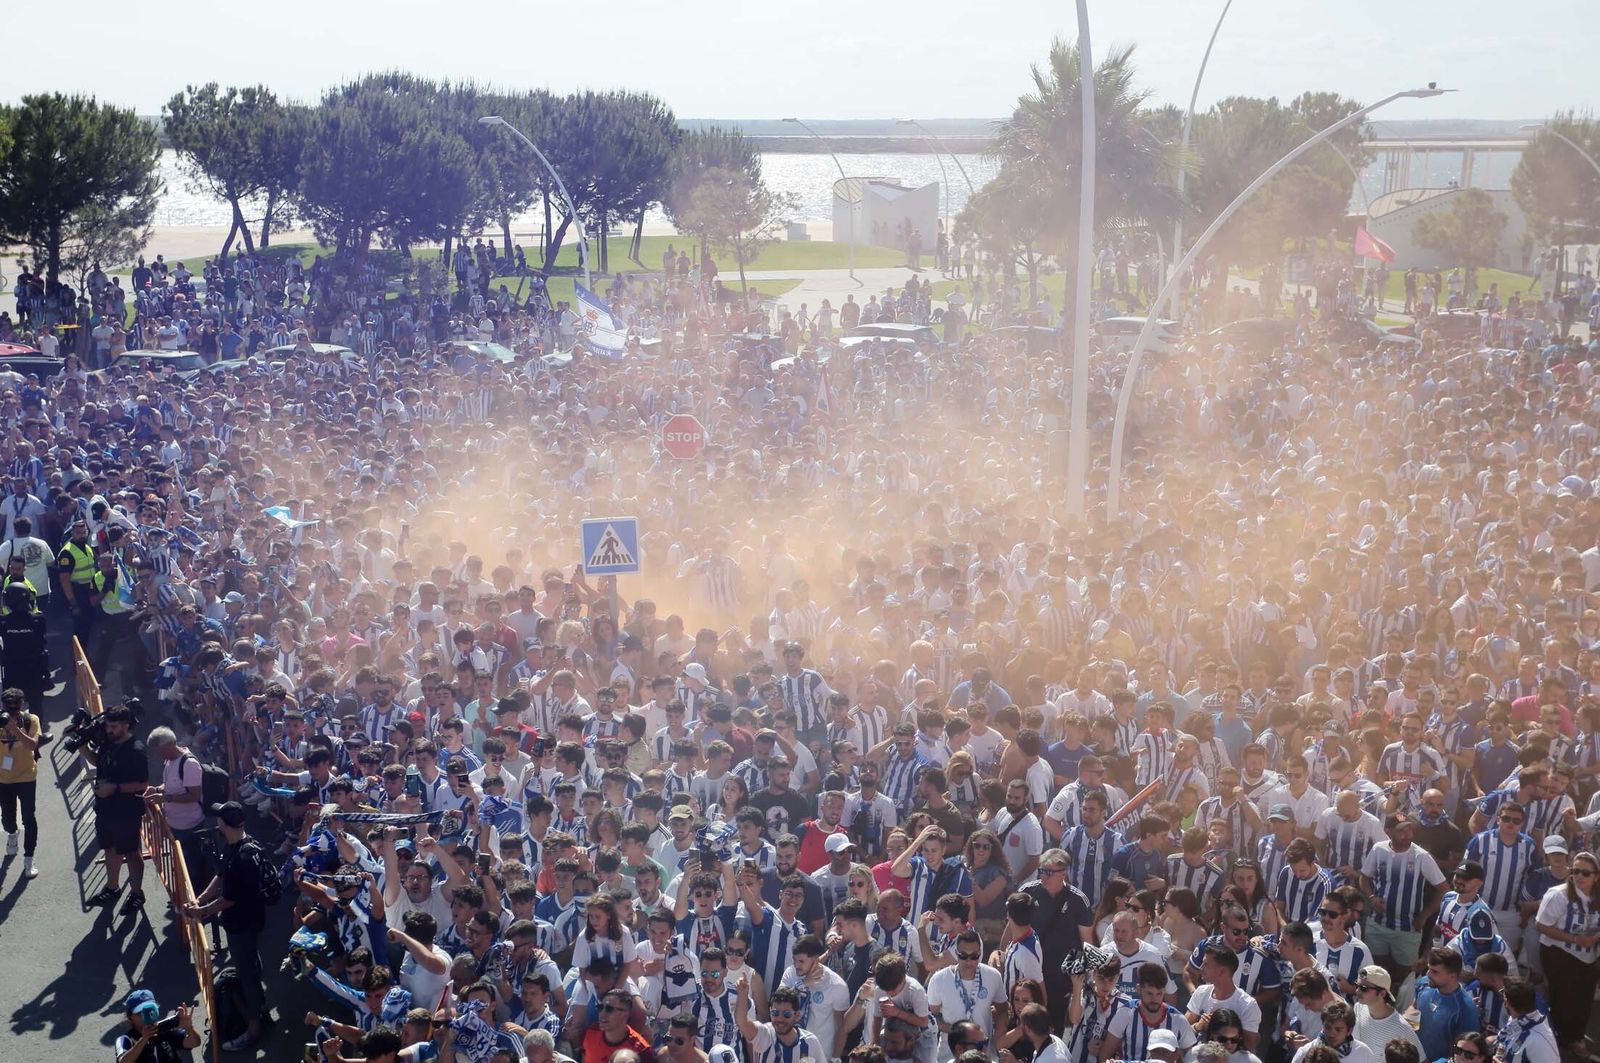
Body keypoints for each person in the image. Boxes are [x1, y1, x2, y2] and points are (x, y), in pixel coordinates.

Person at [184, 802, 268, 1052]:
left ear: (222, 824)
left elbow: (229, 898)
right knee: (251, 966)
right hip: (247, 922)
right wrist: (201, 899)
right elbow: (219, 876)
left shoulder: (242, 856)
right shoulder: (239, 845)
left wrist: (201, 911)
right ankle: (259, 1010)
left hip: (242, 924)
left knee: (248, 976)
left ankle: (254, 1030)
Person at [1531, 849, 1600, 1058]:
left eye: (1585, 873)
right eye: (1576, 871)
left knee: (1584, 998)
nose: (1579, 876)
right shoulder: (1557, 894)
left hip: (1589, 955)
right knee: (1564, 998)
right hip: (1559, 952)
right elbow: (1541, 925)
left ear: (1596, 876)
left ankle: (1574, 1038)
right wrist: (1577, 939)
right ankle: (1562, 1042)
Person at [83, 704, 149, 915]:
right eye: (108, 726)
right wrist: (81, 746)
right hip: (105, 809)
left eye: (114, 726)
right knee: (109, 849)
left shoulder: (136, 750)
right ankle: (112, 888)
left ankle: (137, 894)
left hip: (126, 812)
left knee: (130, 852)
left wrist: (115, 789)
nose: (109, 730)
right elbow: (97, 760)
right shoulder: (108, 742)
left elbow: (143, 784)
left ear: (126, 725)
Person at [144, 726, 209, 903]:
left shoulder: (189, 764)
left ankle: (195, 899)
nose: (157, 755)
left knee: (193, 866)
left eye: (159, 751)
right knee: (182, 863)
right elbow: (171, 785)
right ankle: (184, 895)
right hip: (175, 823)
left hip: (190, 825)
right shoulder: (171, 761)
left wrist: (165, 797)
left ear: (169, 745)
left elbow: (193, 795)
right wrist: (157, 790)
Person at [1409, 949, 1478, 1063]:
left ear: (1453, 976)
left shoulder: (1465, 1009)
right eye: (1429, 968)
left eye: (1435, 971)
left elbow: (1463, 1054)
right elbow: (1414, 1007)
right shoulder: (1424, 984)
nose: (1428, 974)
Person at [0, 685, 41, 878]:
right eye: (8, 709)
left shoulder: (30, 720)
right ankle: (12, 834)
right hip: (3, 778)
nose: (12, 713)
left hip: (26, 776)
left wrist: (14, 729)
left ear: (22, 706)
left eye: (15, 709)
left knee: (28, 817)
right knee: (7, 819)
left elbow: (33, 744)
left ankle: (29, 858)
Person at [114, 989, 200, 1063]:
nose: (147, 1015)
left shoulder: (166, 1029)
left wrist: (189, 1028)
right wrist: (143, 1040)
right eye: (141, 1012)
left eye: (151, 1010)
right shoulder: (125, 1039)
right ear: (130, 1017)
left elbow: (194, 1043)